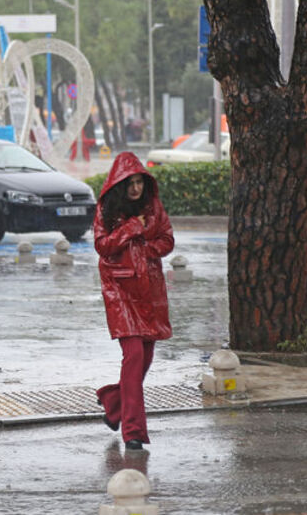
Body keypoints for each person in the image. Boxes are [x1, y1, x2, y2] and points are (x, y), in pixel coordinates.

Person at [93, 151, 174, 451]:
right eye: (131, 182)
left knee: (145, 359)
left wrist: (147, 250)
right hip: (120, 292)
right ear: (119, 183)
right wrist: (131, 229)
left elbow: (167, 239)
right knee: (134, 357)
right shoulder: (106, 210)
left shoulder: (153, 207)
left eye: (140, 182)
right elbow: (102, 246)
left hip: (149, 291)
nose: (136, 188)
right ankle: (133, 432)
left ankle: (115, 406)